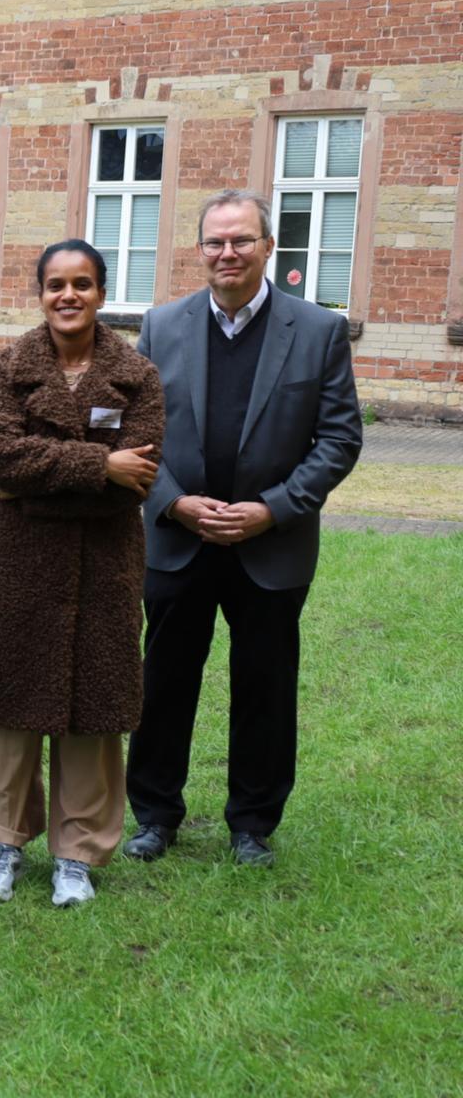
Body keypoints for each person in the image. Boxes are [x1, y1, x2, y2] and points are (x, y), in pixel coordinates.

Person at [125, 189, 363, 868]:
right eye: (214, 242)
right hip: (180, 540)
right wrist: (172, 502)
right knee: (164, 680)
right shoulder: (161, 326)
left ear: (268, 247)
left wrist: (274, 508)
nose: (227, 253)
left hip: (271, 545)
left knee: (265, 684)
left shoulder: (317, 331)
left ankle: (252, 823)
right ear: (199, 250)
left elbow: (339, 439)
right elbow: (141, 433)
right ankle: (154, 815)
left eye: (241, 240)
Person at [0, 240, 164, 908]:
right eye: (55, 285)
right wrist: (98, 465)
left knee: (93, 709)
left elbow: (142, 474)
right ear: (39, 293)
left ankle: (77, 854)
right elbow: (2, 462)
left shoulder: (137, 374)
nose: (68, 296)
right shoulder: (8, 367)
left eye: (82, 284)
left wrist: (62, 476)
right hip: (15, 566)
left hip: (104, 566)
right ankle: (4, 843)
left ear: (102, 292)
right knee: (12, 706)